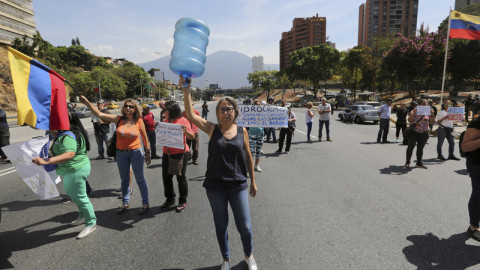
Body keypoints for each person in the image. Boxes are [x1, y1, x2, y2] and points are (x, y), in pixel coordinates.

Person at [180, 76, 258, 270]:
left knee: (245, 226)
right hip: (215, 186)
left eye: (229, 109)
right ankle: (226, 260)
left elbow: (248, 156)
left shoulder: (242, 131)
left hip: (238, 183)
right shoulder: (212, 129)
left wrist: (253, 181)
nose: (225, 112)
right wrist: (186, 90)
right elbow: (190, 115)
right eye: (222, 109)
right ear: (217, 112)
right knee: (221, 226)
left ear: (235, 111)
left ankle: (249, 255)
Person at [32, 110, 96, 239]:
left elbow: (69, 154)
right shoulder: (66, 133)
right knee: (75, 196)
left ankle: (91, 223)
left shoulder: (67, 136)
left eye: (52, 122)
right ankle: (83, 216)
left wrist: (46, 161)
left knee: (80, 197)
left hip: (75, 170)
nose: (49, 126)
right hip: (71, 170)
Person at [81, 96, 151, 215]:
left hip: (136, 153)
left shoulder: (139, 121)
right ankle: (125, 202)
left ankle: (145, 203)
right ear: (123, 108)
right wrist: (88, 103)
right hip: (120, 154)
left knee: (140, 179)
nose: (128, 108)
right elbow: (99, 114)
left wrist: (148, 153)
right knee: (124, 180)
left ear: (135, 109)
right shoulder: (118, 119)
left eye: (131, 106)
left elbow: (145, 138)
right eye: (126, 106)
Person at [160, 101, 194, 212]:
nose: (165, 112)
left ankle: (182, 200)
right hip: (167, 153)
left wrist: (185, 131)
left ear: (172, 111)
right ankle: (170, 199)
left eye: (166, 110)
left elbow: (192, 136)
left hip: (181, 153)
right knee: (166, 177)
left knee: (181, 177)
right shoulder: (165, 121)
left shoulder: (183, 121)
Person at [461, 115, 480, 241]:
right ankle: (473, 226)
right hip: (478, 164)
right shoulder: (478, 122)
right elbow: (465, 146)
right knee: (478, 194)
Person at [404, 99, 435, 169]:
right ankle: (407, 161)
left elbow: (432, 122)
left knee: (420, 148)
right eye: (423, 104)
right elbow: (409, 120)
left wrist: (432, 114)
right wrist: (414, 113)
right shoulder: (414, 111)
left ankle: (419, 163)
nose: (425, 105)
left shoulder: (428, 112)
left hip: (424, 133)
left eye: (426, 104)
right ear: (419, 105)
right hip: (414, 132)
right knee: (410, 147)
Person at [249, 101, 265, 172]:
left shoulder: (263, 114)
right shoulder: (249, 113)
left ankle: (256, 166)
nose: (258, 106)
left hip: (260, 134)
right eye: (257, 104)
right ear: (254, 105)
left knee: (258, 151)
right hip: (252, 134)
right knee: (251, 152)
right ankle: (250, 167)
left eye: (259, 105)